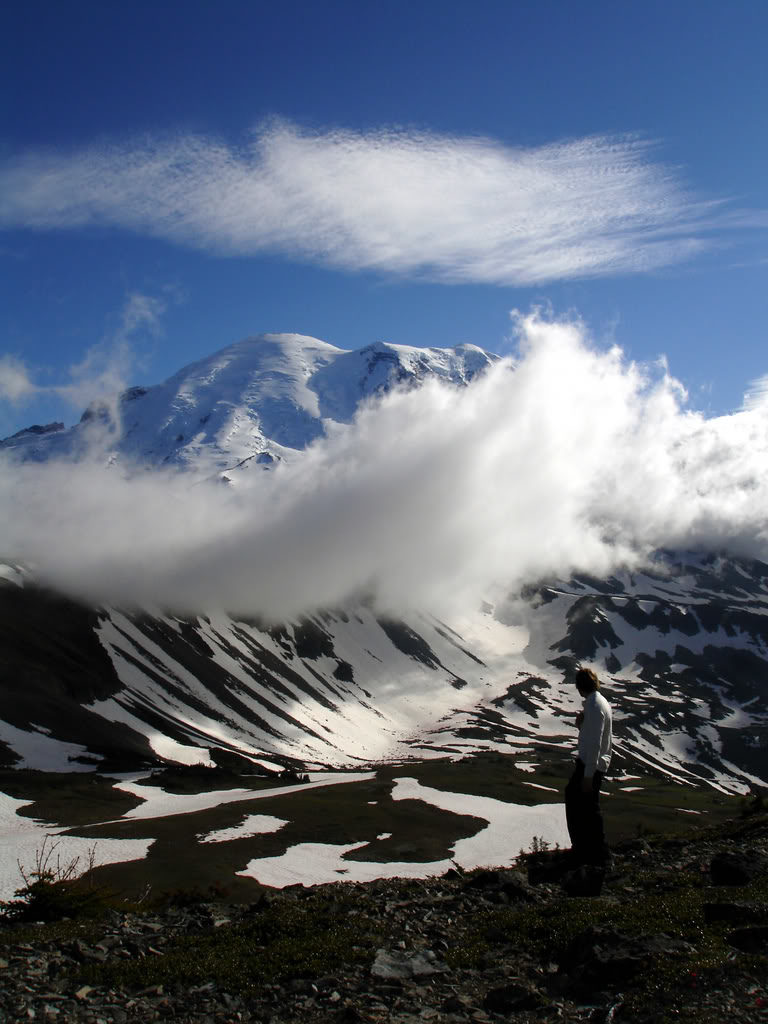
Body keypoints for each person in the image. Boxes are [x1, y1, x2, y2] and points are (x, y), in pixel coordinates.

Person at [565, 666, 612, 867]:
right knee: (585, 806)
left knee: (584, 806)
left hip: (589, 765)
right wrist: (581, 725)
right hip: (593, 764)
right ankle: (592, 851)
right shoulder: (599, 703)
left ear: (579, 687)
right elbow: (594, 735)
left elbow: (594, 743)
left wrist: (588, 775)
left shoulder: (593, 706)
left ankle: (591, 852)